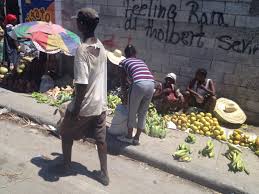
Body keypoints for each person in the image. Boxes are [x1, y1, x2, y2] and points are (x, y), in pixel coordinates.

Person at [57, 8, 109, 186]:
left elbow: (81, 84)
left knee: (65, 133)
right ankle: (104, 174)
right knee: (101, 139)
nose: (75, 23)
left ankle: (66, 165)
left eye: (77, 21)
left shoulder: (82, 50)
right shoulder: (100, 46)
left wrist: (75, 110)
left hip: (85, 105)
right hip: (100, 104)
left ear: (81, 24)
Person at [118, 45, 154, 145]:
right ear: (135, 54)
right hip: (151, 83)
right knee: (143, 112)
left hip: (139, 83)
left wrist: (125, 97)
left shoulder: (123, 62)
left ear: (125, 54)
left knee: (132, 111)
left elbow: (122, 82)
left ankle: (129, 137)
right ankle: (136, 138)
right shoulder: (141, 61)